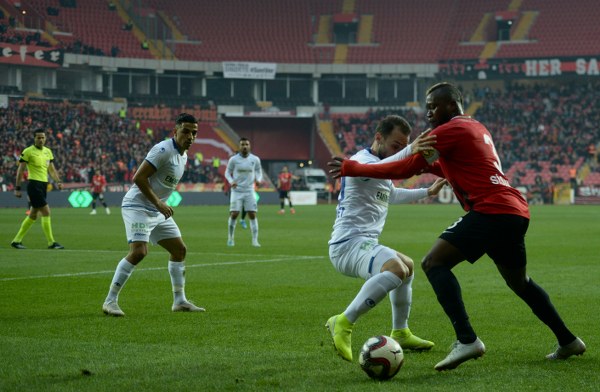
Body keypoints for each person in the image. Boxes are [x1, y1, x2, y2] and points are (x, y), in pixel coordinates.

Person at [328, 82, 586, 371]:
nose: (427, 114)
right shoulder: (476, 127)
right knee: (520, 282)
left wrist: (354, 167)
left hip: (491, 209)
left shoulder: (449, 130)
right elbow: (446, 165)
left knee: (434, 263)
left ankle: (467, 340)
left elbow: (404, 169)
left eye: (432, 106)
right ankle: (568, 340)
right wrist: (425, 169)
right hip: (514, 211)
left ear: (451, 105)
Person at [326, 115, 445, 362]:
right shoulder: (362, 161)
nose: (400, 151)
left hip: (363, 242)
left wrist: (427, 191)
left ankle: (400, 332)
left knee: (408, 267)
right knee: (395, 269)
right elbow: (393, 165)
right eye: (396, 145)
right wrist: (411, 150)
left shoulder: (381, 167)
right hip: (347, 245)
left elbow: (391, 195)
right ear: (378, 138)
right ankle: (344, 322)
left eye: (404, 145)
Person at [102, 113, 205, 317]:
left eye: (194, 132)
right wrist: (158, 203)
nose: (190, 136)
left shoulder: (183, 155)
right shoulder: (163, 150)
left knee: (179, 250)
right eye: (186, 131)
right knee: (139, 252)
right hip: (138, 205)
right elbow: (138, 178)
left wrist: (159, 205)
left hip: (156, 209)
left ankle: (179, 301)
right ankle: (110, 301)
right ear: (174, 131)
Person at [11, 128, 64, 250]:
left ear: (45, 138)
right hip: (34, 185)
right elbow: (20, 170)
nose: (41, 139)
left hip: (43, 185)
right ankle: (51, 242)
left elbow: (51, 169)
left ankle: (16, 240)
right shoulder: (28, 151)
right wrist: (17, 187)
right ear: (34, 138)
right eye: (38, 137)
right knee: (46, 211)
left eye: (43, 137)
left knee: (33, 215)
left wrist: (58, 181)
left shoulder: (48, 152)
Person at [225, 138, 263, 247]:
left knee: (252, 214)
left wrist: (259, 179)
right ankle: (230, 238)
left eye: (246, 144)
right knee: (234, 214)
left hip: (250, 190)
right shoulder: (233, 159)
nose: (245, 146)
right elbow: (227, 172)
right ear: (239, 146)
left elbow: (258, 171)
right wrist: (231, 181)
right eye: (242, 144)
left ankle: (255, 241)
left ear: (249, 146)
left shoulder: (255, 159)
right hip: (237, 191)